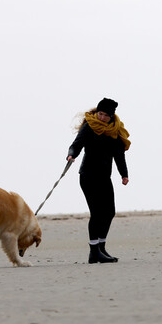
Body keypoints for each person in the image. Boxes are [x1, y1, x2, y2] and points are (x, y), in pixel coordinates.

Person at [66, 97, 130, 264]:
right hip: (88, 175)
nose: (102, 118)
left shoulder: (115, 131)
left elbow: (119, 155)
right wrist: (71, 154)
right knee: (97, 213)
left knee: (109, 212)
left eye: (105, 116)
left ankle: (101, 248)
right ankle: (94, 252)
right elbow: (77, 144)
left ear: (111, 117)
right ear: (97, 112)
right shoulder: (90, 126)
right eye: (100, 114)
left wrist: (124, 174)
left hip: (104, 176)